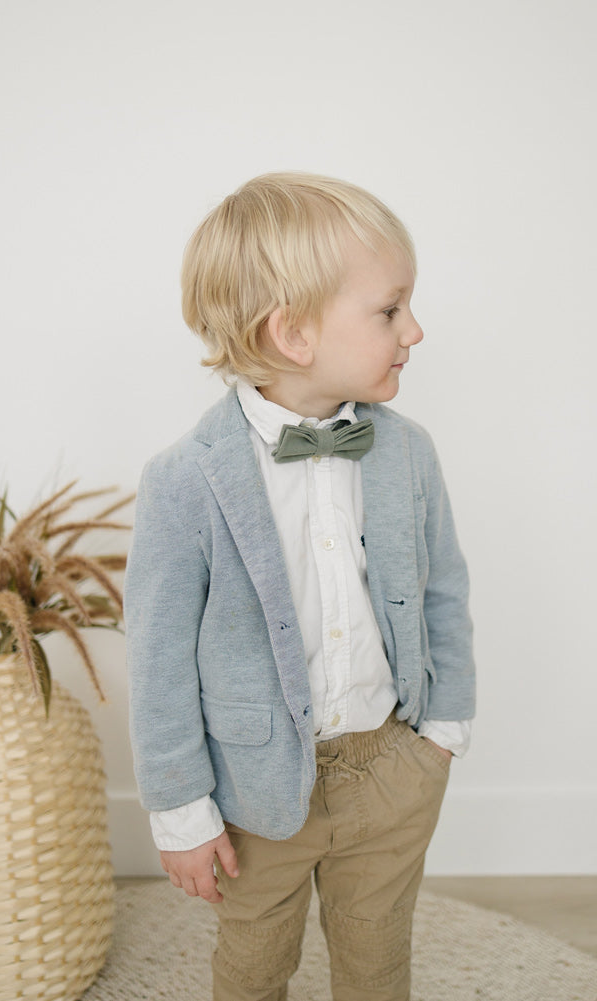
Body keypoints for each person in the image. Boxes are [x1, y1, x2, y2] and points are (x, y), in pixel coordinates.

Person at [125, 172, 475, 1001]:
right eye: (389, 309)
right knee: (253, 964)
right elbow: (159, 655)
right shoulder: (185, 479)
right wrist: (181, 812)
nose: (414, 329)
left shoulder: (407, 451)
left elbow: (442, 589)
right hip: (256, 788)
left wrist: (442, 730)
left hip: (389, 764)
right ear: (292, 333)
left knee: (377, 958)